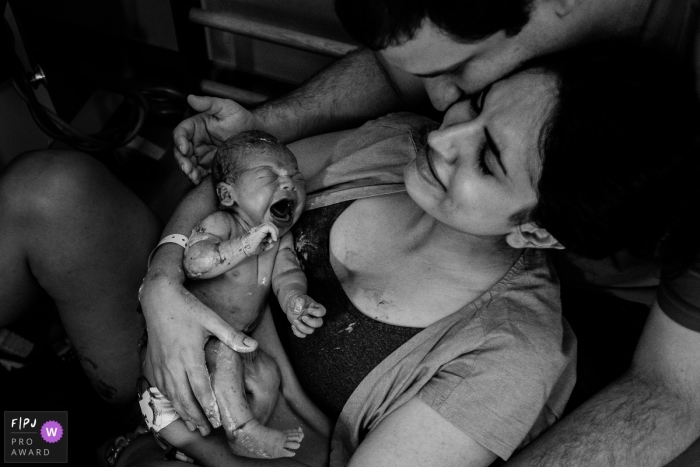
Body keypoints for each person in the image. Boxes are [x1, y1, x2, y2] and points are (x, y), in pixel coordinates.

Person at [169, 1, 700, 464]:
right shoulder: (394, 144)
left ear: (536, 233)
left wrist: (170, 434)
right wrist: (161, 287)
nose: (444, 131)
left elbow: (674, 393)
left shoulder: (506, 354)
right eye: (478, 101)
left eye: (487, 160)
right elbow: (227, 186)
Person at [139, 131, 326, 460]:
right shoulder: (223, 223)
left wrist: (295, 299)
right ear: (228, 194)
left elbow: (287, 273)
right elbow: (196, 261)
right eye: (269, 177)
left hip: (232, 343)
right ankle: (242, 432)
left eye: (295, 177)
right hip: (190, 337)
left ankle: (233, 427)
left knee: (267, 373)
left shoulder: (282, 238)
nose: (288, 185)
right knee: (227, 354)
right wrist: (244, 245)